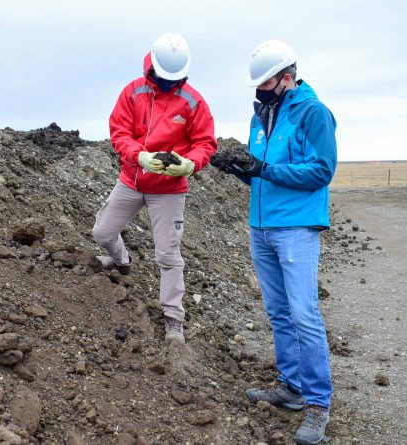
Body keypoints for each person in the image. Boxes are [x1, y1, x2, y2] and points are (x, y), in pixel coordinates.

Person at [219, 40, 337, 445]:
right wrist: (239, 169)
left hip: (296, 227)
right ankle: (291, 388)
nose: (260, 88)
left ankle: (318, 404)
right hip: (261, 227)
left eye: (266, 81)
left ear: (287, 77)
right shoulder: (260, 116)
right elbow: (263, 174)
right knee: (279, 312)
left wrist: (265, 168)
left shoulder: (312, 112)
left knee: (304, 314)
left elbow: (321, 171)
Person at [92, 32, 217, 344]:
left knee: (168, 254)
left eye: (175, 79)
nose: (168, 84)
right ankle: (122, 262)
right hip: (132, 179)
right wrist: (141, 157)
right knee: (103, 233)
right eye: (163, 78)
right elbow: (119, 131)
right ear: (153, 66)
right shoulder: (133, 92)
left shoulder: (193, 101)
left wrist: (189, 164)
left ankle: (173, 318)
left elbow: (205, 143)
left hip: (169, 190)